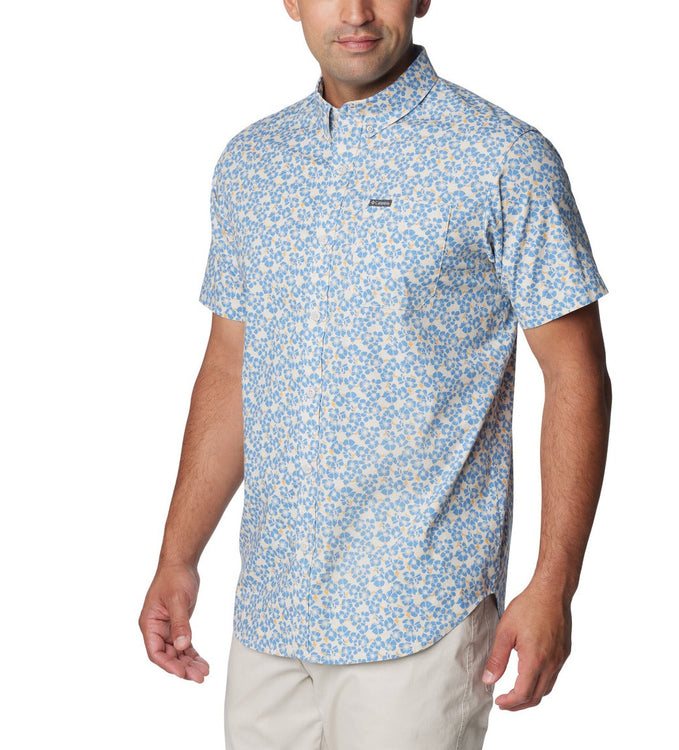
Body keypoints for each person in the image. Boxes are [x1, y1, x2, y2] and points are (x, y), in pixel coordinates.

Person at [139, 1, 612, 747]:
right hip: (270, 615)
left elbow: (576, 374)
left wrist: (554, 584)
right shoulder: (252, 164)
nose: (356, 12)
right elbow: (231, 365)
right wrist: (178, 555)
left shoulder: (502, 158)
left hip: (419, 613)